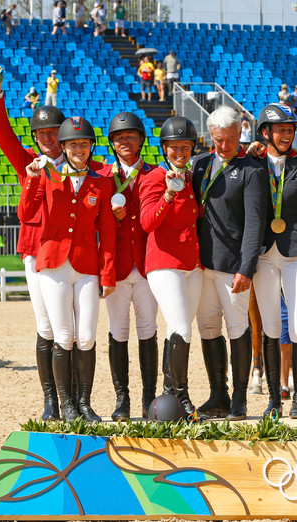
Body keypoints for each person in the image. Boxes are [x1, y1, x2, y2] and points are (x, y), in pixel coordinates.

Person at [0, 67, 79, 421]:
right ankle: (51, 399)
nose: (48, 138)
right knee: (47, 326)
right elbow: (3, 136)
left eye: (53, 132)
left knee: (75, 328)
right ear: (35, 137)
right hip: (36, 252)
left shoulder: (76, 162)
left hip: (71, 255)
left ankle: (75, 400)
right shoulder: (27, 163)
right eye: (41, 133)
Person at [19, 116, 116, 423]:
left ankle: (84, 403)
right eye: (73, 144)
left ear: (91, 147)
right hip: (52, 265)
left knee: (86, 336)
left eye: (84, 144)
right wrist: (32, 178)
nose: (79, 149)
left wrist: (108, 273)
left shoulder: (101, 180)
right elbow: (26, 212)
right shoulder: (47, 175)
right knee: (63, 334)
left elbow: (108, 230)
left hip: (87, 265)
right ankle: (66, 404)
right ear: (63, 146)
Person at [191, 107, 269, 421]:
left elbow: (255, 224)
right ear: (211, 136)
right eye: (220, 139)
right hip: (201, 265)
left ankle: (239, 399)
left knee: (238, 329)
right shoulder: (199, 164)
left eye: (232, 139)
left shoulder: (252, 169)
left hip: (233, 265)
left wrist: (246, 267)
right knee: (208, 329)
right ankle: (217, 395)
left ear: (241, 134)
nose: (225, 145)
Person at [251, 103, 297, 419]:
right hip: (264, 255)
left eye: (291, 129)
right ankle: (275, 399)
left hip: (296, 252)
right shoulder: (252, 164)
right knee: (272, 328)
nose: (287, 134)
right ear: (265, 133)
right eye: (281, 129)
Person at [140, 116, 203, 421]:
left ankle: (169, 399)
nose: (180, 151)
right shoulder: (154, 178)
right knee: (182, 328)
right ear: (164, 148)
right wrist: (166, 195)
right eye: (174, 147)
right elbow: (147, 222)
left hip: (192, 264)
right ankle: (183, 398)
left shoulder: (192, 177)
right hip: (165, 263)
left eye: (185, 146)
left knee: (180, 332)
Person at [99, 112, 158, 421]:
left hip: (148, 264)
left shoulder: (155, 173)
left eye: (131, 137)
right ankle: (122, 398)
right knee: (118, 332)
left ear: (140, 141)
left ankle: (149, 398)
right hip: (117, 265)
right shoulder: (103, 177)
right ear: (112, 143)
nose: (125, 141)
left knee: (148, 331)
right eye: (119, 138)